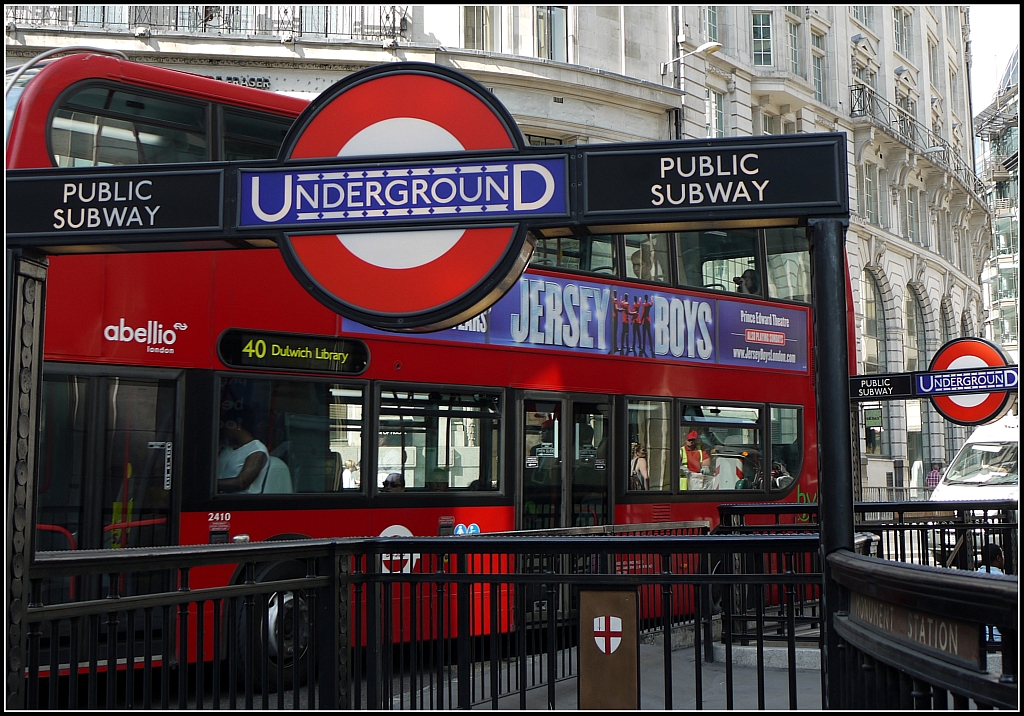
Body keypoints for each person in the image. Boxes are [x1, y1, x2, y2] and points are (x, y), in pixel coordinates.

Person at [217, 417, 270, 493]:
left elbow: (242, 482)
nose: (224, 431)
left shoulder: (256, 450)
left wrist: (212, 484)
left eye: (226, 427)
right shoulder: (228, 448)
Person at [976, 543, 1005, 642]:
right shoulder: (1003, 579)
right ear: (998, 558)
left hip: (979, 634)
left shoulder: (974, 576)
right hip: (998, 635)